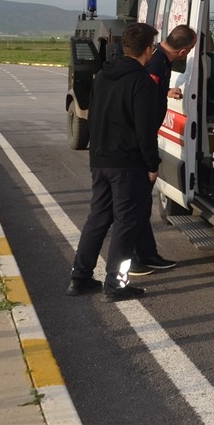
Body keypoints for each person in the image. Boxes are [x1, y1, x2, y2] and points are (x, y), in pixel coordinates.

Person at [67, 22, 163, 301]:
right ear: (148, 49)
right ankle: (116, 284)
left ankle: (80, 277)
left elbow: (94, 116)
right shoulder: (142, 82)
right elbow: (145, 130)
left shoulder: (102, 76)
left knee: (97, 219)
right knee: (126, 224)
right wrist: (152, 165)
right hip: (127, 164)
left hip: (100, 160)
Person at [128, 24, 196, 276]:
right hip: (141, 143)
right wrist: (151, 162)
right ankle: (136, 259)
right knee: (138, 205)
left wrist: (166, 91)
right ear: (184, 50)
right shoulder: (157, 64)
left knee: (142, 205)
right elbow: (142, 101)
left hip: (142, 140)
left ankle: (147, 255)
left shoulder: (159, 60)